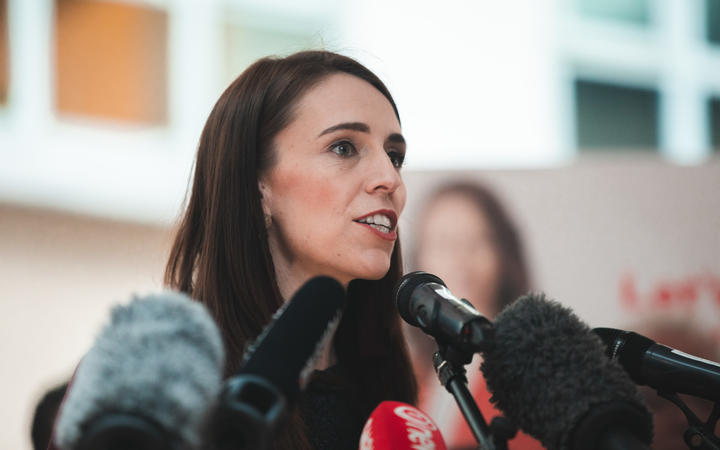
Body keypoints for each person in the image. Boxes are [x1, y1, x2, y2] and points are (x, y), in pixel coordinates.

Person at [164, 50, 417, 449]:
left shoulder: (389, 398)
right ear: (257, 184)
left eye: (395, 156)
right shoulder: (168, 382)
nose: (390, 178)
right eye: (344, 148)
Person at [407, 181, 543, 449]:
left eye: (477, 241)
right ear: (419, 258)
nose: (461, 258)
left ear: (503, 254)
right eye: (444, 243)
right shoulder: (406, 374)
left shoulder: (531, 372)